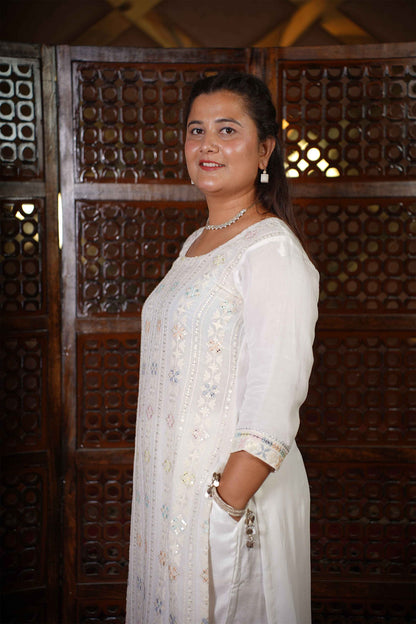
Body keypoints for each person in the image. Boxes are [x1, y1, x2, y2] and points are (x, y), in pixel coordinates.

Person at [126, 72, 319, 624]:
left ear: (265, 150)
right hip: (172, 498)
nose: (207, 144)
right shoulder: (197, 242)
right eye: (196, 130)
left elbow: (275, 398)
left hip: (232, 502)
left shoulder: (271, 250)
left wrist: (226, 505)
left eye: (227, 130)